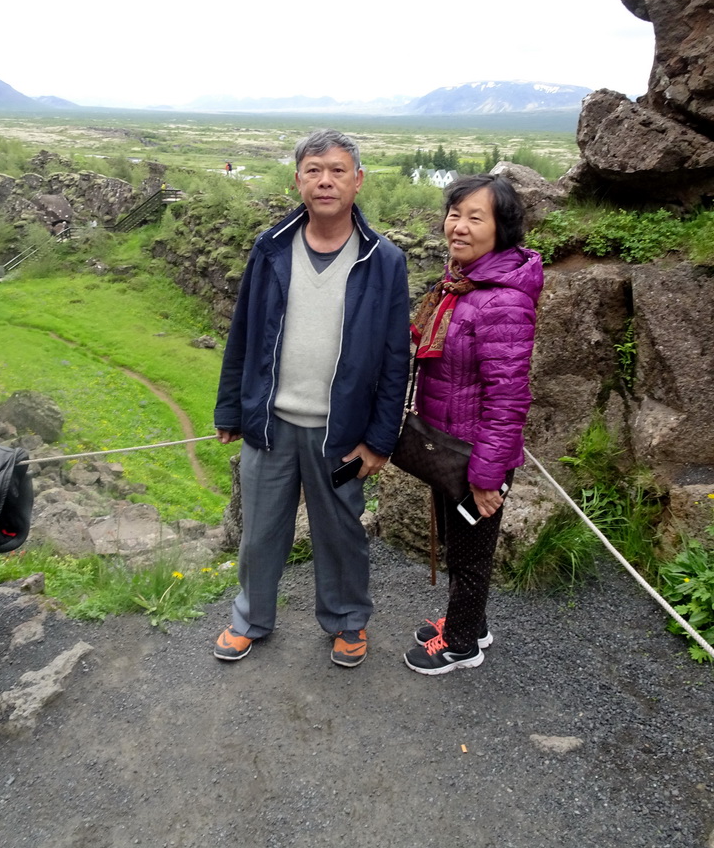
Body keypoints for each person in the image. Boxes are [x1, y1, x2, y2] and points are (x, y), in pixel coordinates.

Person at [213, 129, 411, 667]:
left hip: (341, 435)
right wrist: (232, 407)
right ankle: (250, 618)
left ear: (358, 180)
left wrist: (379, 440)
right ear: (297, 180)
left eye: (338, 170)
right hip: (271, 425)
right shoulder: (270, 247)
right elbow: (244, 333)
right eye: (314, 170)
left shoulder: (384, 260)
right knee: (259, 533)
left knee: (342, 532)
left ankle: (348, 622)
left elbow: (397, 359)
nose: (326, 180)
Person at [403, 174, 543, 675]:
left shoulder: (503, 299)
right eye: (454, 213)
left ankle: (462, 644)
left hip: (476, 455)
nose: (458, 227)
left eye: (474, 217)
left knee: (470, 553)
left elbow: (509, 397)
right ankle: (470, 623)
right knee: (462, 544)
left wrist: (488, 475)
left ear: (501, 229)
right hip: (449, 445)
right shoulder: (460, 283)